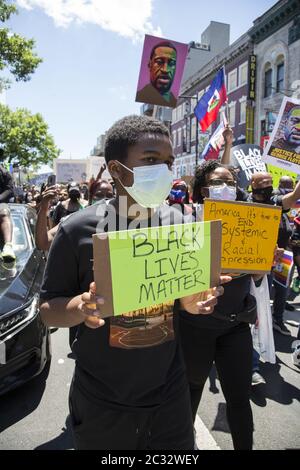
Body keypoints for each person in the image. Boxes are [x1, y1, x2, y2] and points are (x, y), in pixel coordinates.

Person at [39, 115, 228, 450]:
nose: (165, 171)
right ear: (116, 170)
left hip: (169, 395)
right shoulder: (76, 229)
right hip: (102, 400)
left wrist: (191, 302)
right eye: (151, 160)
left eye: (168, 163)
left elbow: (181, 297)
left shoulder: (179, 224)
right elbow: (48, 310)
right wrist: (80, 307)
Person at [179, 160, 263, 450]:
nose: (226, 188)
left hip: (234, 327)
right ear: (203, 190)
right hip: (195, 329)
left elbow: (258, 275)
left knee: (239, 400)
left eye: (230, 182)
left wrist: (260, 266)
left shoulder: (249, 223)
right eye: (218, 183)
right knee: (189, 395)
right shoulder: (186, 225)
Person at [249, 172, 300, 336]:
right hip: (246, 259)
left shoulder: (274, 201)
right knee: (249, 298)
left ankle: (267, 327)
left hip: (273, 259)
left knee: (268, 295)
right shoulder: (243, 201)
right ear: (253, 184)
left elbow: (292, 198)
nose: (268, 186)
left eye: (270, 182)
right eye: (264, 182)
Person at [136, 42, 177, 107]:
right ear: (150, 64)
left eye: (171, 63)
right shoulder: (142, 94)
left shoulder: (174, 100)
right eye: (159, 62)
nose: (165, 70)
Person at [0, 152, 16, 262]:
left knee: (4, 213)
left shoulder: (4, 173)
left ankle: (8, 246)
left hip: (0, 202)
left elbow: (10, 190)